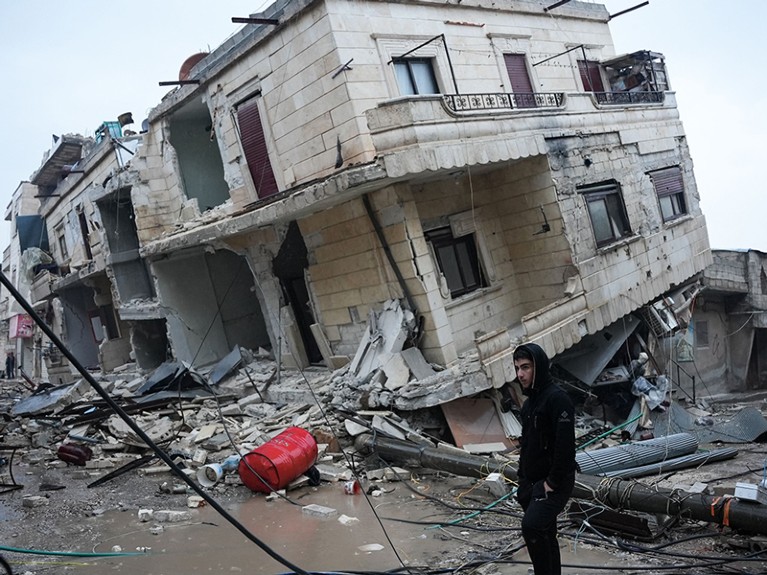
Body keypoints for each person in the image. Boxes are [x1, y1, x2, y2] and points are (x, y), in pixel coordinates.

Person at [513, 342, 576, 575]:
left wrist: (552, 482)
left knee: (532, 527)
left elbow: (566, 447)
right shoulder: (530, 404)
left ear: (538, 367)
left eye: (526, 367)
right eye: (517, 367)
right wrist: (522, 480)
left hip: (552, 483)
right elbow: (527, 444)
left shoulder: (557, 399)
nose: (520, 373)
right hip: (532, 484)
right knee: (546, 532)